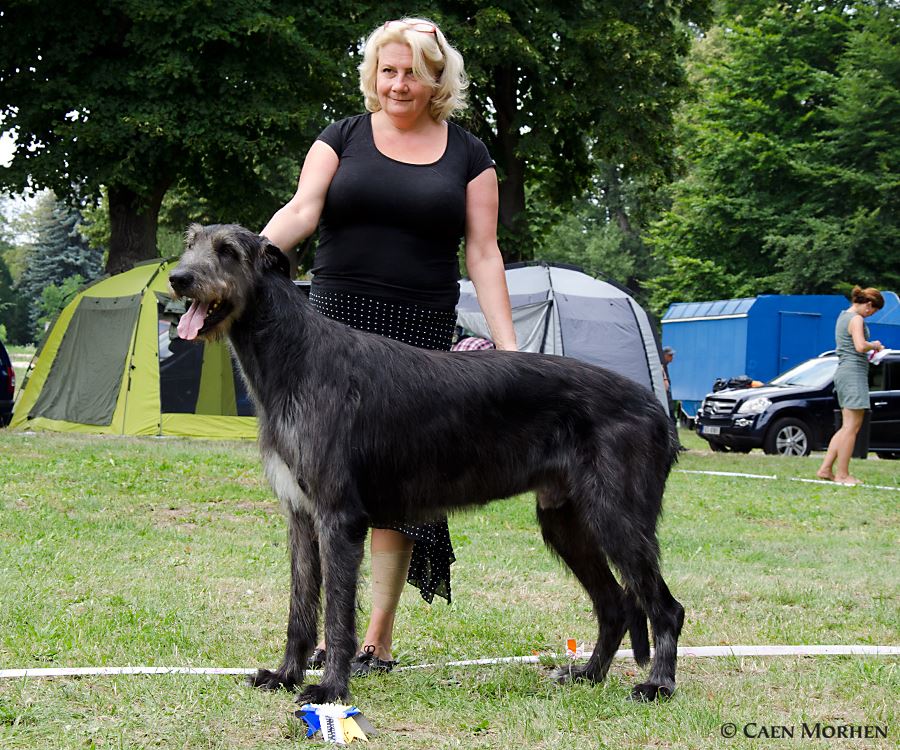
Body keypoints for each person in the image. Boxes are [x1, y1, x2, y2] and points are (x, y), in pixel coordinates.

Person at [261, 17, 517, 675]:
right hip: (336, 323)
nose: (400, 83)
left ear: (438, 80)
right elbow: (301, 209)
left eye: (414, 71)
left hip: (420, 329)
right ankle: (328, 635)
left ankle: (375, 636)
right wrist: (250, 257)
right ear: (375, 75)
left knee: (397, 487)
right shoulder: (341, 136)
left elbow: (484, 253)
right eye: (389, 70)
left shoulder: (470, 154)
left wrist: (511, 350)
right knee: (326, 484)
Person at [816, 286, 884, 485]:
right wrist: (876, 345)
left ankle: (826, 469)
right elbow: (860, 346)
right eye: (873, 311)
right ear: (869, 305)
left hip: (845, 372)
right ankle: (843, 474)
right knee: (851, 428)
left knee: (846, 427)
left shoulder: (843, 316)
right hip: (853, 374)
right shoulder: (856, 319)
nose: (870, 314)